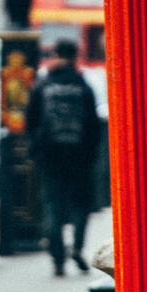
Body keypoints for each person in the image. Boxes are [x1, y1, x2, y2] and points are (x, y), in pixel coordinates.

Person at [26, 39, 103, 276]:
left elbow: (30, 121)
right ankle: (77, 247)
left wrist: (36, 150)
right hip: (79, 157)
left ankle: (58, 257)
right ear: (75, 57)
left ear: (55, 56)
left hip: (50, 156)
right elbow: (93, 125)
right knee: (81, 205)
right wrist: (91, 155)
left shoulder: (43, 85)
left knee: (53, 204)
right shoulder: (83, 86)